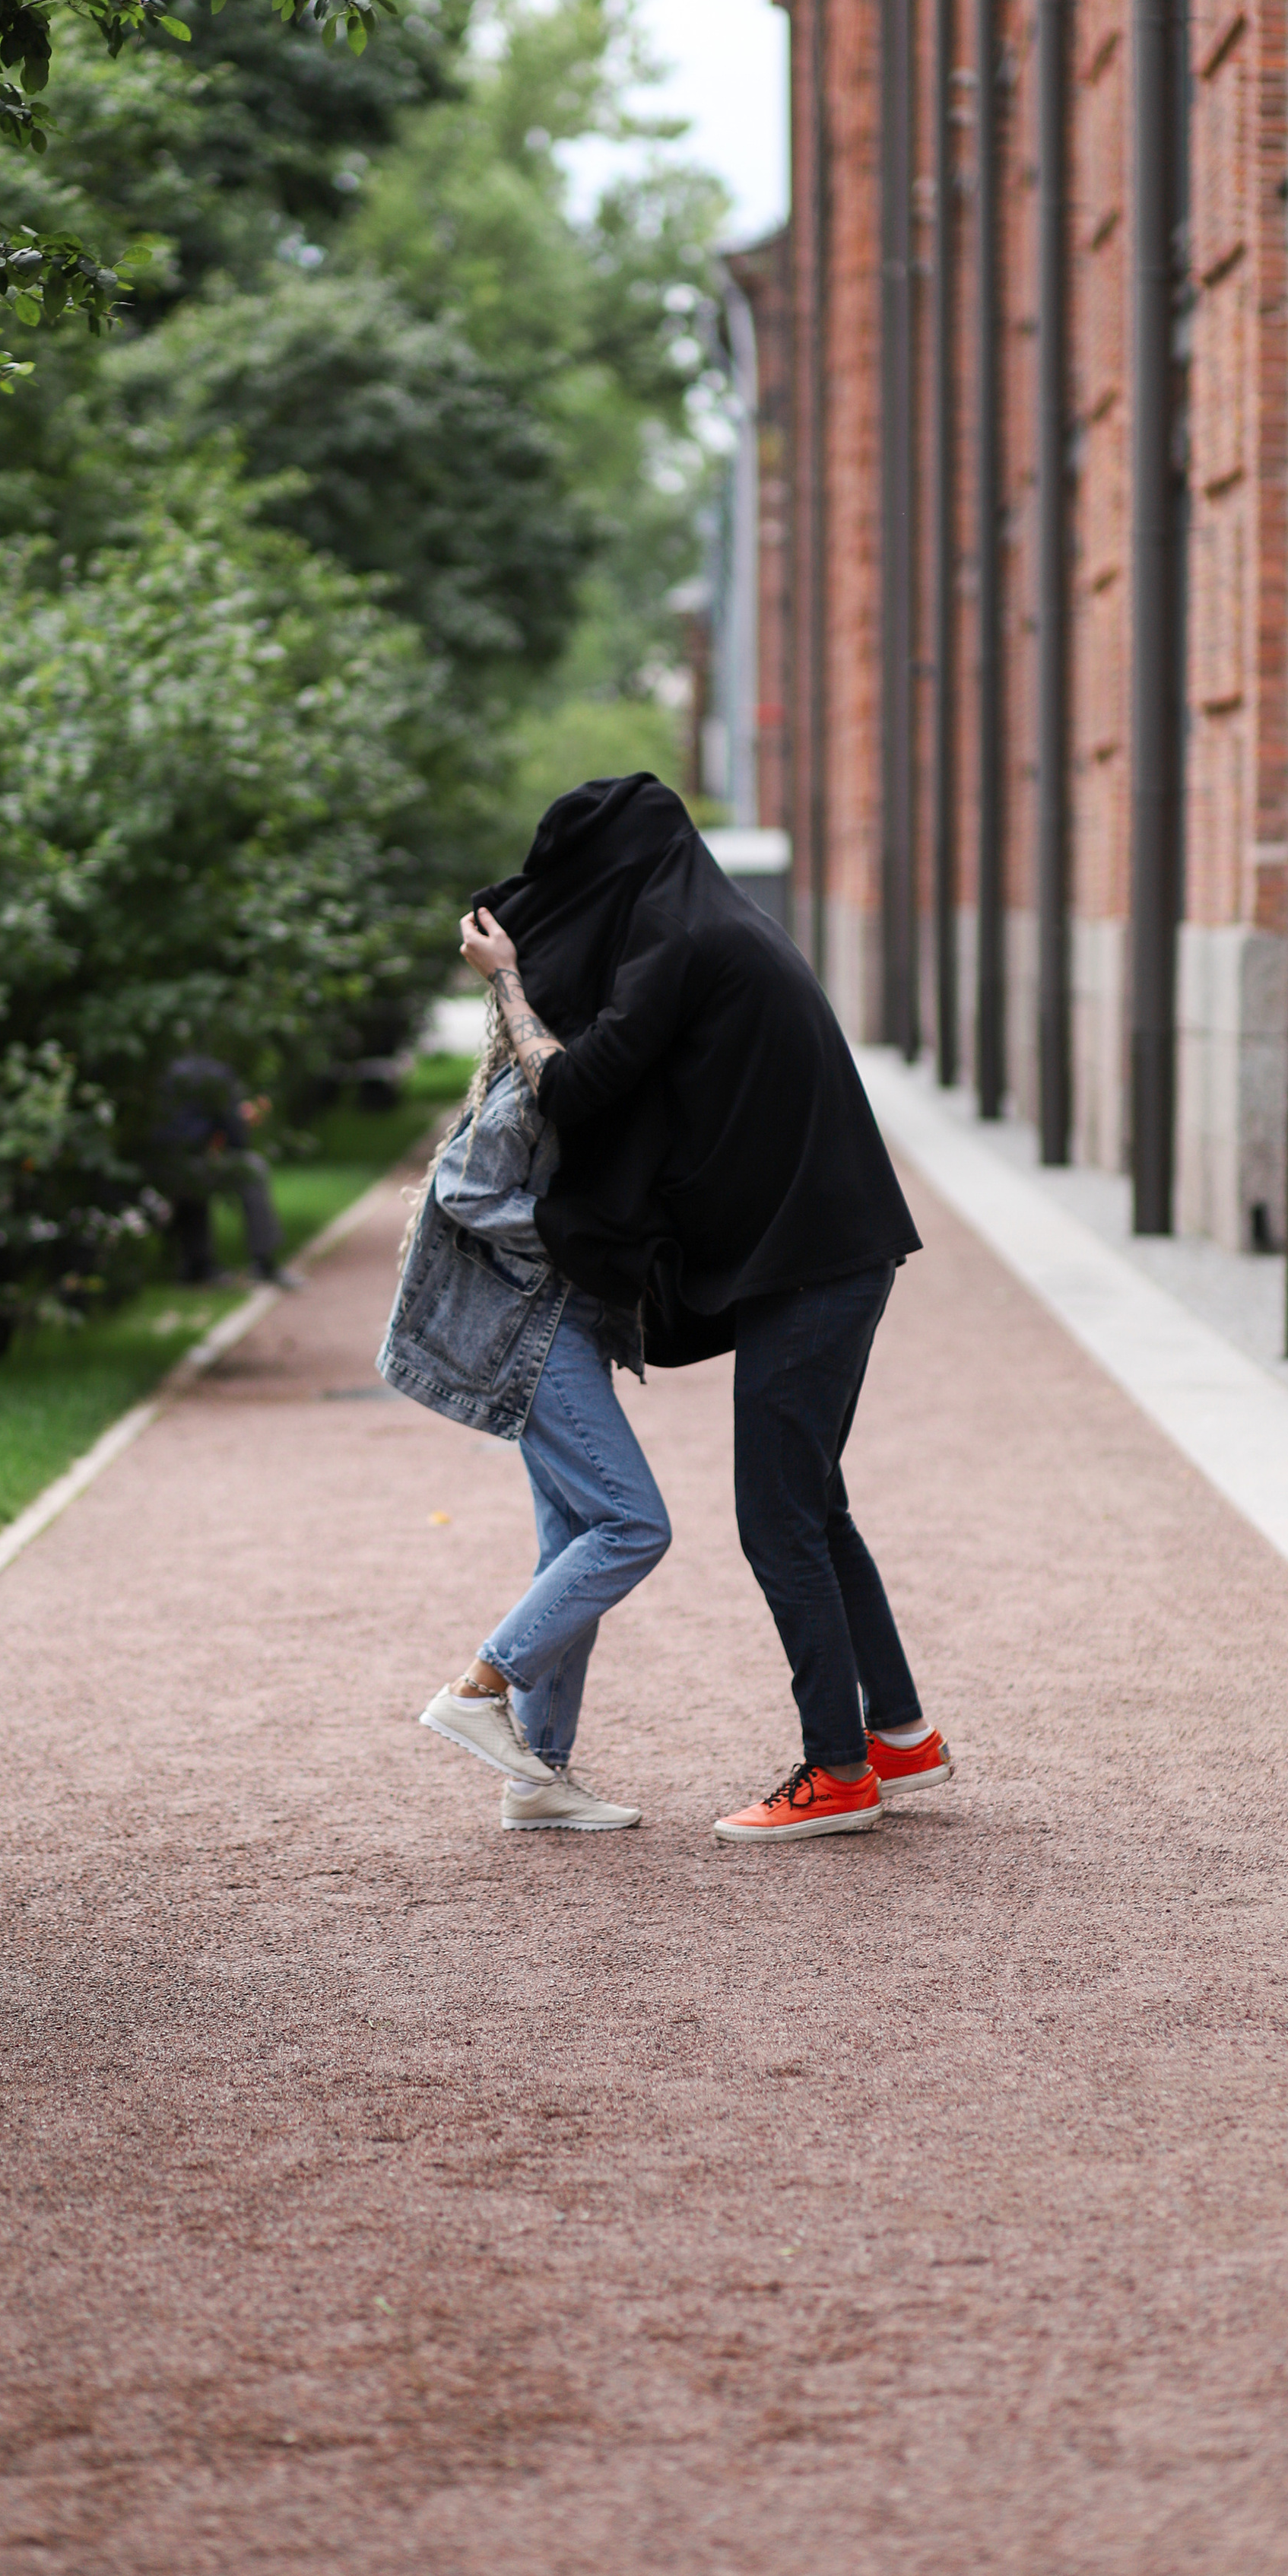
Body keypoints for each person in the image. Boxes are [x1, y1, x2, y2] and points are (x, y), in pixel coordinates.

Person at [462, 771, 951, 1844]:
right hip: (830, 1253)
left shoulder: (681, 944)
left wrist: (508, 983)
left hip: (812, 1266)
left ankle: (838, 1771)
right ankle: (900, 1736)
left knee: (778, 1519)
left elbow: (575, 1085)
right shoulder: (714, 921)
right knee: (814, 1504)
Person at [379, 993, 669, 1832]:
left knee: (569, 1547)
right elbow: (463, 1187)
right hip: (537, 1339)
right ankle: (480, 1687)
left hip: (568, 1327)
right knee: (631, 1526)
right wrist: (566, 1235)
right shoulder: (529, 1091)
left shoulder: (583, 1087)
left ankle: (540, 1777)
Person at [154, 1053, 295, 1287]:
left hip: (162, 1164)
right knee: (252, 1168)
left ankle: (196, 1265)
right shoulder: (218, 1075)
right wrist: (244, 1121)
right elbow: (235, 1136)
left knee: (194, 1179)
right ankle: (264, 1261)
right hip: (192, 1166)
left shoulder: (164, 1073)